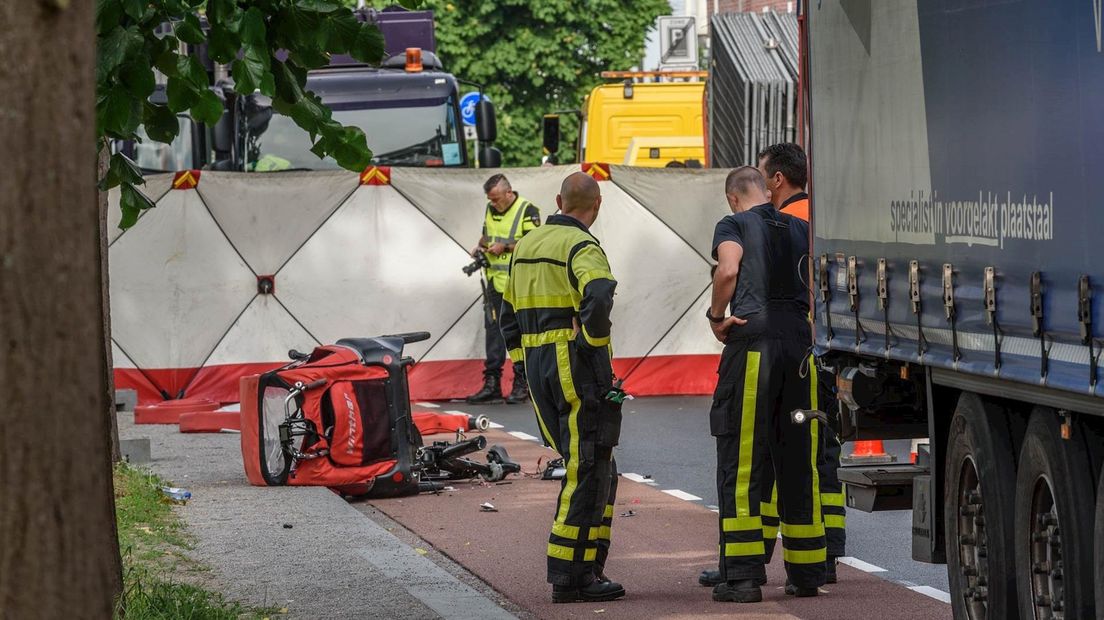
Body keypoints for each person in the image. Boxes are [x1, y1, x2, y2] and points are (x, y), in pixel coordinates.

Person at [499, 172, 625, 604]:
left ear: (557, 201)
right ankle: (570, 576)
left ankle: (588, 563)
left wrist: (522, 363)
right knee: (587, 466)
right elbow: (601, 290)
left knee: (597, 467)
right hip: (572, 363)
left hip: (538, 366)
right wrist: (589, 342)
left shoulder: (526, 245)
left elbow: (507, 314)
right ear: (597, 205)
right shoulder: (582, 245)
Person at [704, 166, 826, 603]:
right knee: (798, 460)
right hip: (800, 350)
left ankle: (742, 576)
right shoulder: (800, 227)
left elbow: (728, 271)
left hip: (754, 347)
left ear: (733, 197)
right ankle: (808, 572)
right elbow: (817, 285)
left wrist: (717, 317)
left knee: (742, 461)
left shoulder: (734, 223)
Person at [758, 142, 846, 582]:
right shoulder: (824, 215)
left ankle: (806, 554)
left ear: (777, 179)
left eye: (762, 176)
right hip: (835, 347)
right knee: (826, 451)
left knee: (795, 455)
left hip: (801, 350)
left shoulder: (785, 222)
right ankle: (827, 552)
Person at [465, 174, 541, 404]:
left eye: (497, 199)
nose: (494, 204)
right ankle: (492, 384)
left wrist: (505, 247)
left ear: (509, 193)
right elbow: (487, 235)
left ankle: (522, 383)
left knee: (519, 333)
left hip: (520, 283)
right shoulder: (490, 209)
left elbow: (534, 242)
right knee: (493, 332)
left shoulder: (527, 210)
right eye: (491, 199)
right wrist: (480, 246)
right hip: (495, 283)